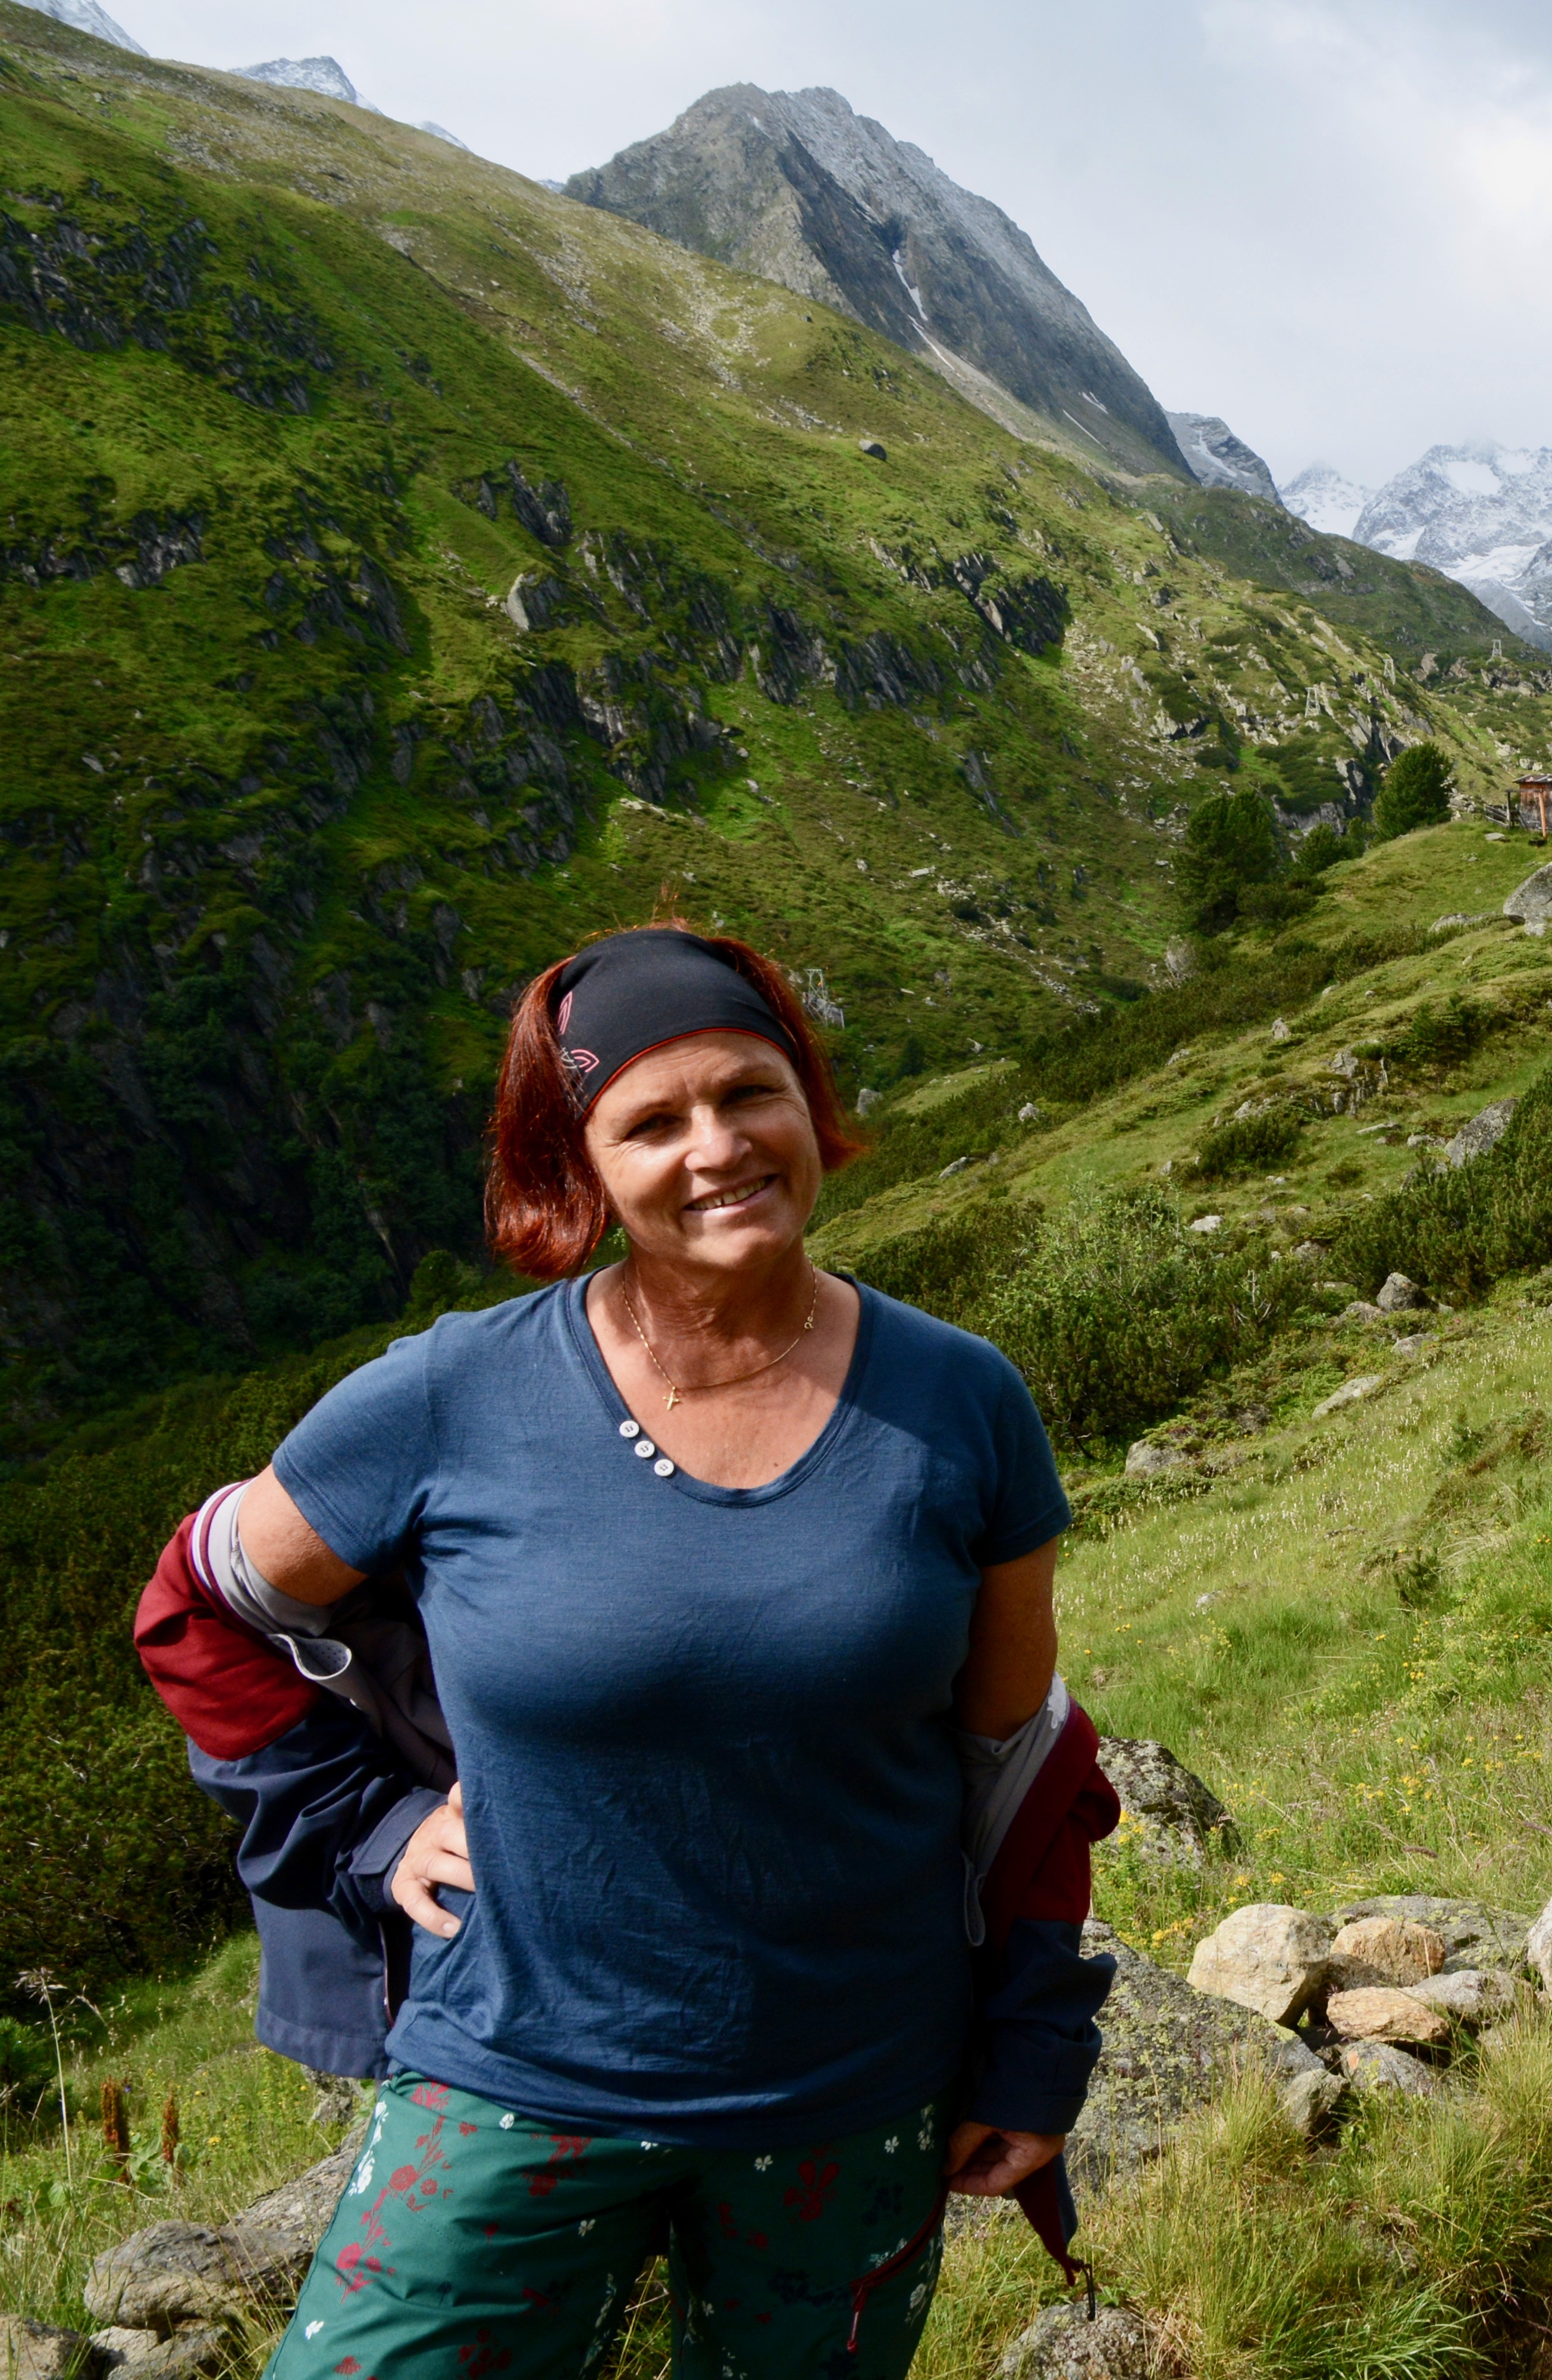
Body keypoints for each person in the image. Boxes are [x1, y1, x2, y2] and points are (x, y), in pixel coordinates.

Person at [145, 922, 1115, 2380]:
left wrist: (1036, 2041)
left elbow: (1020, 1759)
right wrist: (369, 1823)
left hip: (850, 2099)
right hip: (516, 2077)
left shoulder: (960, 1402)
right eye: (651, 1122)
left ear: (808, 1103)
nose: (717, 1147)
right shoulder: (449, 1394)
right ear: (579, 1166)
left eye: (749, 1093)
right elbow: (198, 1607)